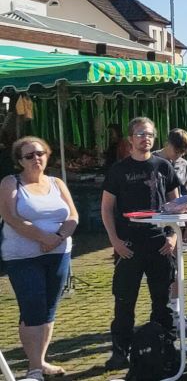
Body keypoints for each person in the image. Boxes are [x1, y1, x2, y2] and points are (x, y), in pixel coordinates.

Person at [100, 117, 181, 370]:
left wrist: (173, 236)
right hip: (129, 246)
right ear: (130, 139)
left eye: (149, 135)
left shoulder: (164, 166)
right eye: (140, 134)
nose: (145, 139)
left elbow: (176, 206)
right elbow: (106, 209)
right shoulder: (118, 170)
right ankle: (120, 352)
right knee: (124, 303)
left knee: (162, 303)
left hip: (159, 245)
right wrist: (115, 242)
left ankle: (165, 347)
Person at [0, 137, 78, 379]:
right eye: (29, 155)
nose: (36, 158)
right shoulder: (10, 183)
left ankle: (41, 361)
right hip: (22, 257)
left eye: (40, 153)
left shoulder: (56, 182)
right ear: (19, 161)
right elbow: (11, 217)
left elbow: (72, 215)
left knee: (48, 310)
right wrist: (43, 237)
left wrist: (58, 237)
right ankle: (34, 368)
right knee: (32, 308)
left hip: (58, 254)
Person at [154, 129, 187, 197]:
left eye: (182, 153)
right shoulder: (151, 160)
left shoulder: (183, 164)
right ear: (167, 144)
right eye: (176, 152)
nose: (179, 156)